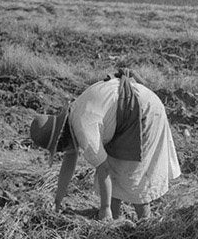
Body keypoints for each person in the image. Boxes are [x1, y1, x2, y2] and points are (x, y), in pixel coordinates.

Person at [29, 70, 181, 220]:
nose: (62, 151)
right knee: (115, 171)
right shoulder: (73, 117)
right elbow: (70, 160)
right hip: (125, 117)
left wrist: (104, 208)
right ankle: (114, 220)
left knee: (135, 176)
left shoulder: (83, 127)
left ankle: (146, 224)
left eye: (59, 148)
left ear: (61, 137)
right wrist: (57, 202)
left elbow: (104, 169)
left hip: (145, 112)